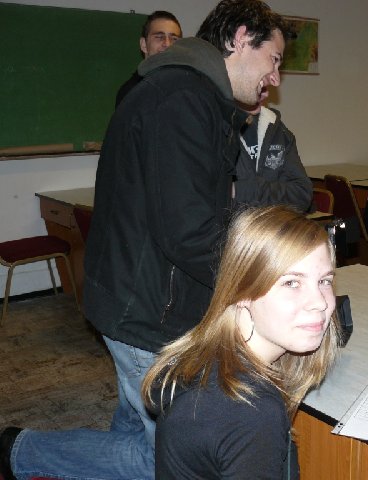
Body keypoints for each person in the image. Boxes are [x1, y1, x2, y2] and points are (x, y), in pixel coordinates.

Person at [0, 1, 287, 479]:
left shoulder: (185, 92)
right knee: (162, 460)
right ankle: (19, 452)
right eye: (273, 59)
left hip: (141, 295)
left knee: (136, 425)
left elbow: (196, 209)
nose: (275, 77)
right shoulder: (183, 100)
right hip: (148, 311)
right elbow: (190, 232)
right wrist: (258, 281)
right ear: (240, 39)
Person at [143, 205, 340, 478]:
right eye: (291, 283)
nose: (319, 303)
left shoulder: (211, 356)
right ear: (243, 290)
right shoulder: (249, 411)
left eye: (324, 281)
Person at [234, 99, 312, 212]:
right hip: (231, 223)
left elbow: (302, 195)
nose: (266, 94)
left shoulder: (277, 130)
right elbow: (214, 197)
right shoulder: (214, 128)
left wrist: (245, 191)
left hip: (273, 222)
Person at [115, 10, 183, 106]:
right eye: (159, 37)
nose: (167, 44)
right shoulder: (132, 92)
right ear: (144, 45)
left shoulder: (185, 88)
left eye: (174, 39)